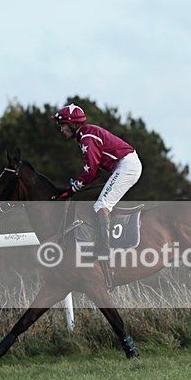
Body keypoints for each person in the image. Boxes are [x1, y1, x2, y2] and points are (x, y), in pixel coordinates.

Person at [53, 104, 142, 263]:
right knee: (101, 203)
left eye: (62, 125)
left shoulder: (87, 137)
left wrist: (72, 189)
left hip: (126, 165)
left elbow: (90, 171)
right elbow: (95, 172)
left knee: (101, 204)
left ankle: (105, 249)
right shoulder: (85, 134)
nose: (61, 129)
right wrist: (76, 187)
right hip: (125, 164)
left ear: (72, 124)